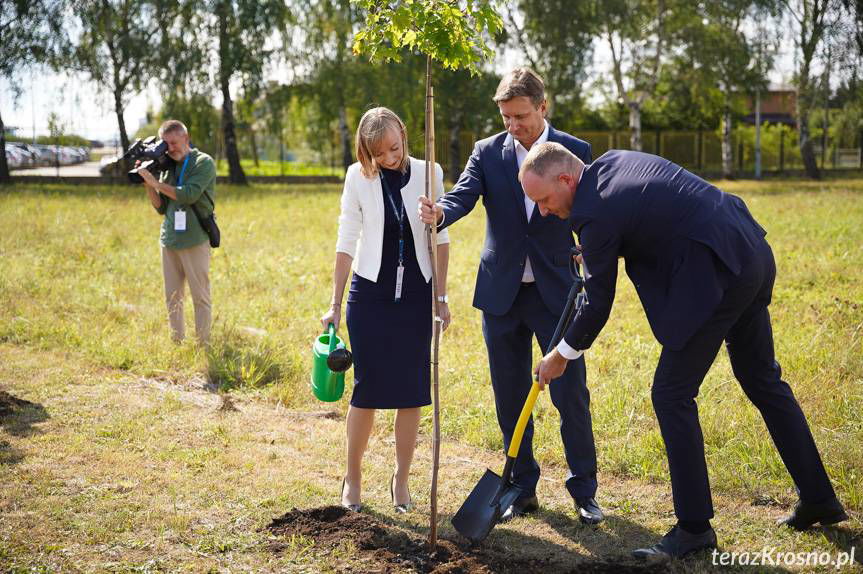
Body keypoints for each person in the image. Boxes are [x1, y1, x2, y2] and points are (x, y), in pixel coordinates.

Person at [520, 142, 848, 559]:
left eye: (544, 200)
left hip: (717, 273)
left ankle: (694, 527)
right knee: (762, 379)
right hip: (748, 249)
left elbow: (598, 304)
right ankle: (819, 498)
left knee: (671, 394)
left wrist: (561, 354)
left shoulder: (593, 212)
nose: (544, 211)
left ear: (566, 179)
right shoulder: (614, 161)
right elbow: (644, 216)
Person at [418, 67, 603, 525]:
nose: (513, 125)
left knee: (570, 395)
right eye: (505, 117)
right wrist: (441, 212)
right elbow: (463, 195)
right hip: (501, 294)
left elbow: (592, 214)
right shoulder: (487, 152)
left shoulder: (576, 152)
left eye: (520, 115)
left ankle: (585, 490)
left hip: (557, 294)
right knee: (509, 394)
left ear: (543, 107)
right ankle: (521, 487)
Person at [321, 107, 451, 513]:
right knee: (368, 391)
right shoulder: (356, 177)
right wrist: (334, 303)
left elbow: (441, 239)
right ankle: (353, 478)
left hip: (417, 294)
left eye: (394, 148)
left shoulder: (432, 172)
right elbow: (346, 240)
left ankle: (401, 479)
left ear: (404, 135)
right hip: (370, 295)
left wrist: (441, 298)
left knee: (412, 392)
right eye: (380, 154)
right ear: (368, 151)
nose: (390, 158)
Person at [138, 120, 216, 345]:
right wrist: (148, 183)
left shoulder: (203, 162)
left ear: (186, 138)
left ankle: (203, 344)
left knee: (200, 296)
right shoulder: (166, 167)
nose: (170, 148)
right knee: (172, 297)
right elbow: (161, 207)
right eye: (166, 144)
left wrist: (157, 183)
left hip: (194, 239)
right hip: (169, 240)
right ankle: (177, 342)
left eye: (174, 142)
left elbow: (189, 194)